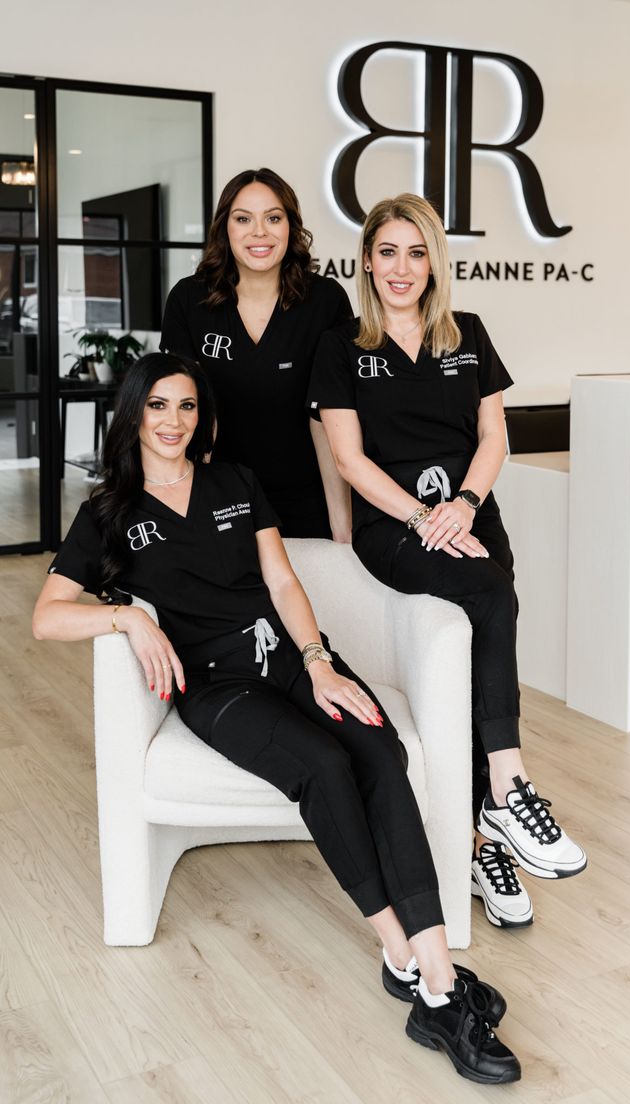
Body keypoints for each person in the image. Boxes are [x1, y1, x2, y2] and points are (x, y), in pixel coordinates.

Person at [32, 352, 521, 1085]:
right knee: (322, 768)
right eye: (159, 406)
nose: (174, 421)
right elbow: (46, 618)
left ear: (203, 417)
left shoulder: (235, 482)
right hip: (217, 689)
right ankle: (410, 961)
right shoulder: (108, 512)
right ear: (134, 412)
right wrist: (126, 619)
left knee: (382, 753)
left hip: (292, 659)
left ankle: (435, 964)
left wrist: (319, 659)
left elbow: (282, 580)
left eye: (188, 407)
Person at [309, 194, 587, 932]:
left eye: (417, 252)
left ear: (435, 261)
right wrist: (424, 517)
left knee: (476, 655)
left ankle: (477, 841)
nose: (402, 268)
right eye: (389, 252)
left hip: (471, 518)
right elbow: (348, 458)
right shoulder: (343, 346)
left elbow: (494, 437)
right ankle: (508, 789)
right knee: (492, 601)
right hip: (394, 526)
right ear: (368, 259)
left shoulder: (470, 334)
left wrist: (462, 503)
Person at [160, 167, 352, 540]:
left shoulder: (326, 301)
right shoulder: (189, 300)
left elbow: (329, 421)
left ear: (290, 227)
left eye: (273, 218)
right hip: (220, 495)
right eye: (243, 218)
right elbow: (188, 412)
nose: (259, 232)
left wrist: (342, 527)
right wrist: (189, 508)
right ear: (225, 228)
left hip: (305, 498)